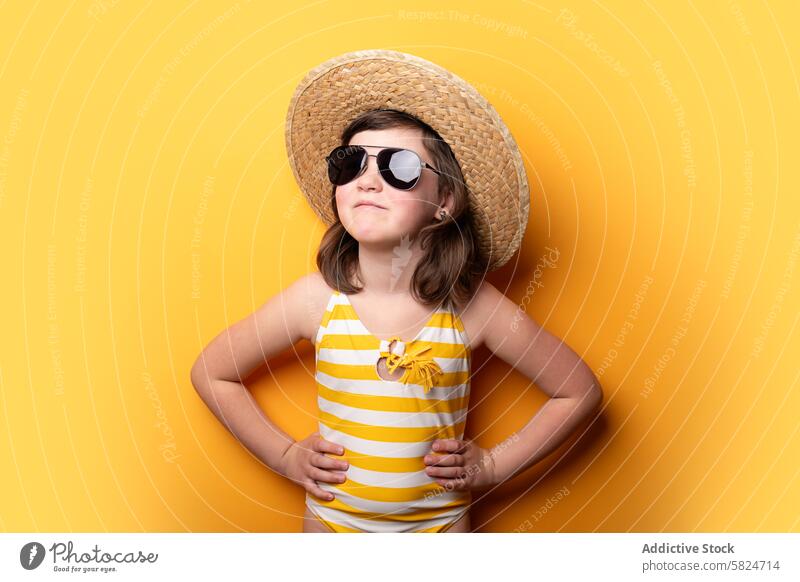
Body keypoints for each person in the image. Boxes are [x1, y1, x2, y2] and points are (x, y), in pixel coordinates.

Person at [190, 50, 602, 533]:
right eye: (350, 164)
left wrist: (494, 466)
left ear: (444, 202)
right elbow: (212, 373)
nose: (367, 179)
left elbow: (578, 392)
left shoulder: (475, 310)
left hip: (440, 529)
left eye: (399, 167)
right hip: (332, 525)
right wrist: (284, 455)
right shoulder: (314, 301)